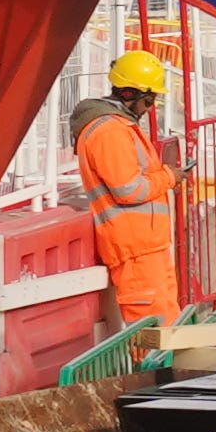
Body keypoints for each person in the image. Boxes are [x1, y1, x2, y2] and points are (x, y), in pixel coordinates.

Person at [70, 54, 185, 327]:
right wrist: (169, 177)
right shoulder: (109, 132)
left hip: (147, 246)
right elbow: (128, 190)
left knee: (167, 326)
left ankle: (167, 371)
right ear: (129, 93)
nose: (149, 108)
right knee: (153, 336)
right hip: (135, 249)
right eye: (148, 100)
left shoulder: (119, 127)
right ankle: (156, 372)